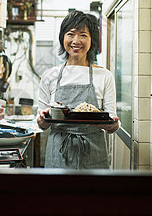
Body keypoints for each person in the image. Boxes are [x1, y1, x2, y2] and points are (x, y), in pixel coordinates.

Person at [37, 10, 120, 169]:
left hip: (93, 152)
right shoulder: (49, 76)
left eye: (83, 35)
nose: (76, 40)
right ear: (63, 38)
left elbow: (112, 122)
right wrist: (42, 119)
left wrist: (113, 125)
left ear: (92, 40)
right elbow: (42, 124)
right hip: (59, 152)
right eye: (71, 34)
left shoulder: (104, 76)